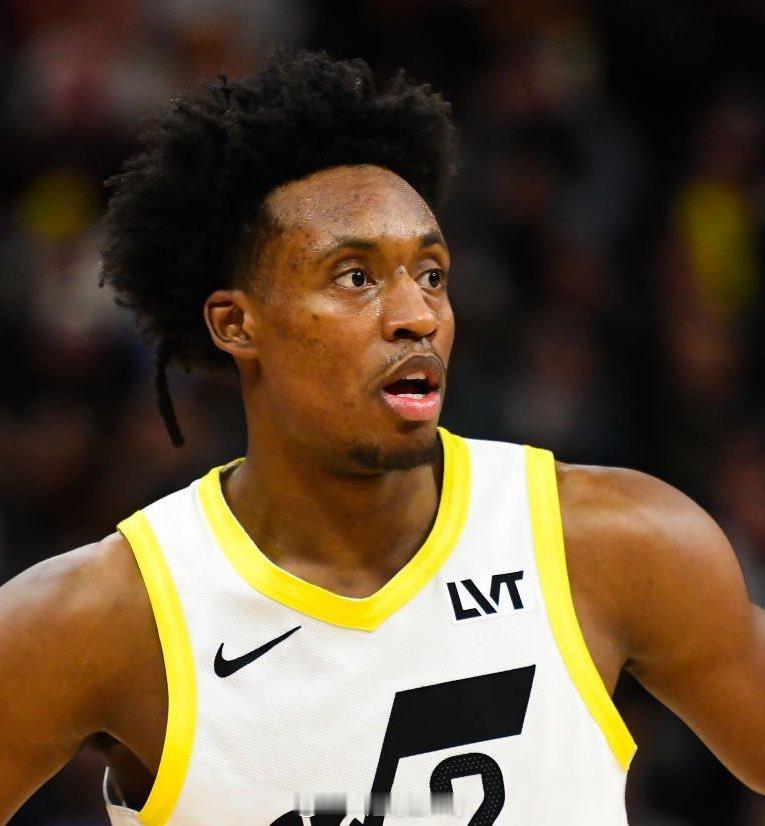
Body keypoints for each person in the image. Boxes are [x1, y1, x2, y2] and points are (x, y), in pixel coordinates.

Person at [0, 48, 763, 826]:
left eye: (430, 273)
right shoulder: (102, 617)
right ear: (236, 323)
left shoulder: (614, 545)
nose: (416, 316)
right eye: (355, 278)